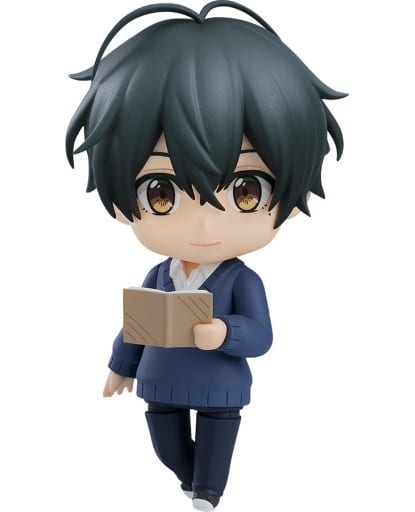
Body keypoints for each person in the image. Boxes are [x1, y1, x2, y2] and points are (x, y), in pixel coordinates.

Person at [66, 2, 346, 509]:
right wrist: (121, 365)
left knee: (214, 452)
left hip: (220, 387)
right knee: (167, 445)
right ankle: (189, 479)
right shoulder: (160, 272)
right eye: (160, 193)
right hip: (160, 383)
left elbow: (261, 334)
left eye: (246, 190)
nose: (204, 225)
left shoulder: (242, 281)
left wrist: (226, 333)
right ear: (123, 205)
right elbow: (137, 325)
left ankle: (208, 491)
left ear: (292, 198)